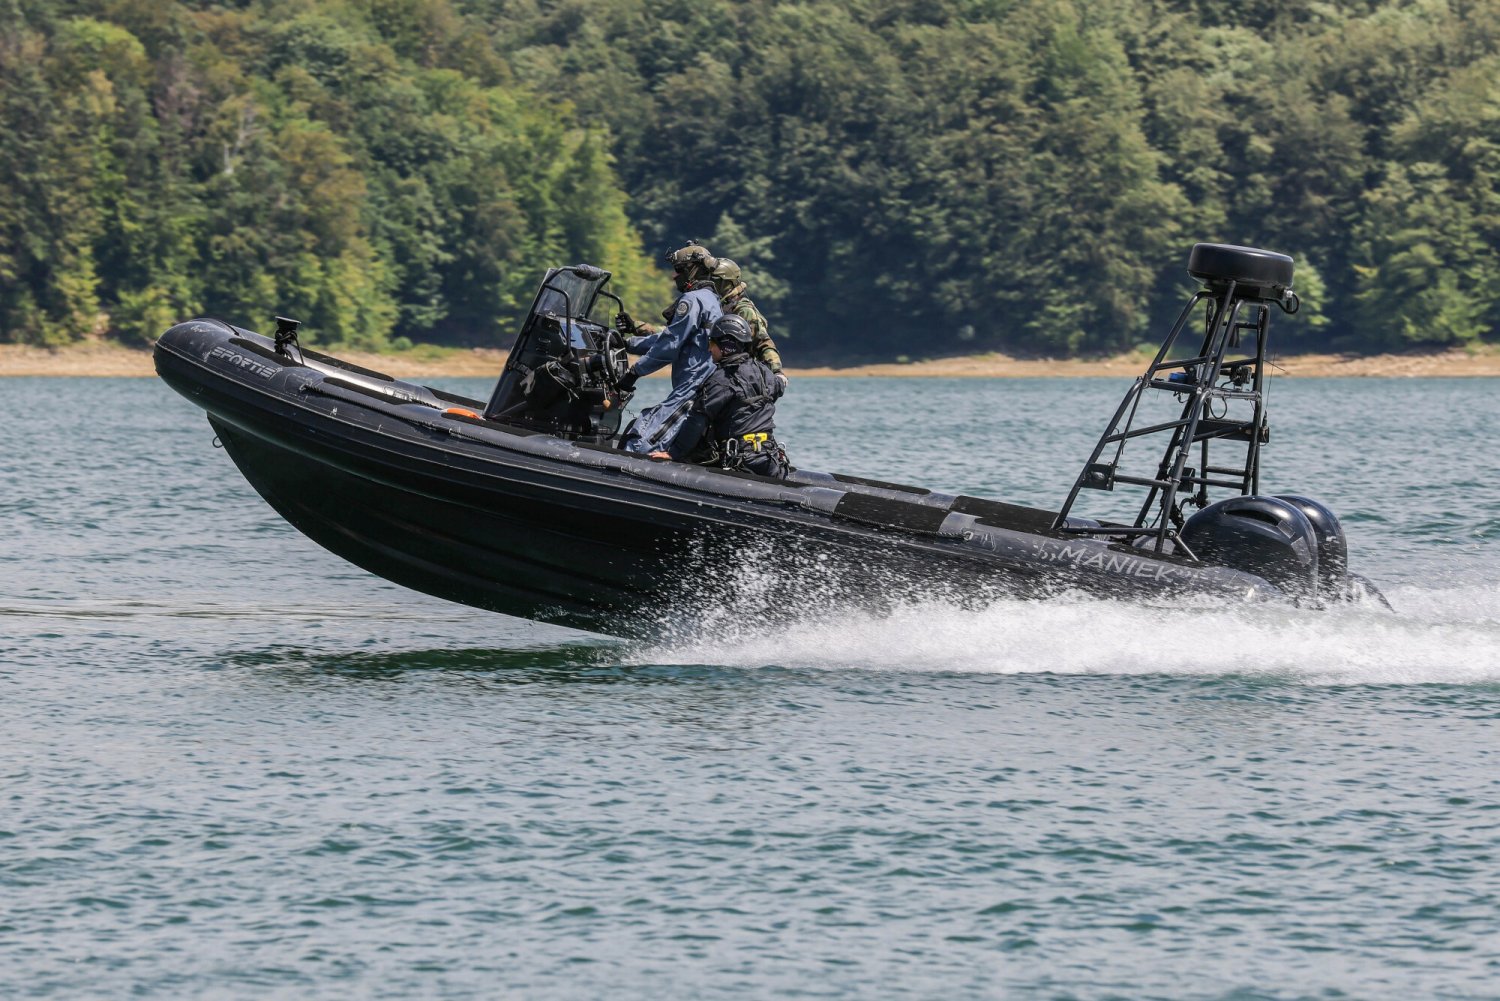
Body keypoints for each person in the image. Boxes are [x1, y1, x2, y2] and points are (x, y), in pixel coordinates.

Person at [650, 314, 789, 479]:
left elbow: (697, 420)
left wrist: (674, 453)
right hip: (769, 458)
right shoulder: (763, 371)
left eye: (712, 343)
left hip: (742, 461)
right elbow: (779, 387)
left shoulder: (722, 380)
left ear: (726, 345)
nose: (709, 349)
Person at [616, 244, 724, 454]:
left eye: (680, 269)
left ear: (693, 269)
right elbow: (671, 337)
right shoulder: (711, 300)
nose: (675, 276)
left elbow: (670, 346)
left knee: (641, 442)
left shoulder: (692, 300)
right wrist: (628, 344)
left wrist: (634, 373)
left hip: (691, 389)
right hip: (698, 385)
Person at [710, 258, 787, 391]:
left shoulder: (744, 311)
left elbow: (763, 343)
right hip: (723, 372)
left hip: (742, 375)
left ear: (726, 283)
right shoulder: (719, 307)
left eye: (716, 282)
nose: (712, 285)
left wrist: (777, 372)